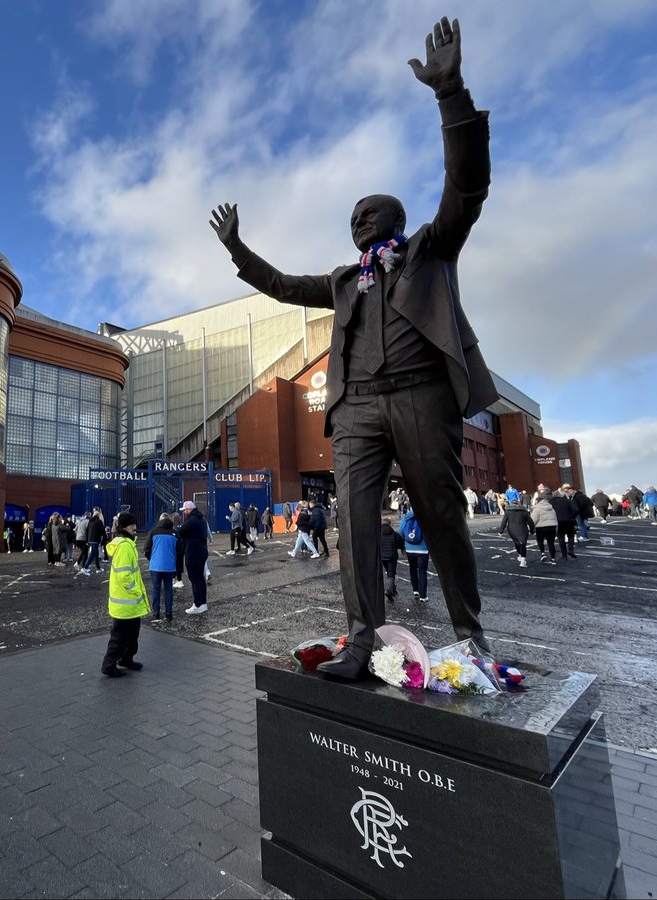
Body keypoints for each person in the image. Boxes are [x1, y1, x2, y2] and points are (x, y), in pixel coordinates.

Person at [209, 19, 495, 678]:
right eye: (352, 217)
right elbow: (281, 285)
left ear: (394, 220)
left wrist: (449, 94)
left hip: (422, 397)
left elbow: (468, 186)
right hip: (358, 409)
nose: (358, 221)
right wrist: (237, 251)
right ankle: (361, 640)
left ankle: (470, 635)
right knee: (356, 527)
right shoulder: (343, 281)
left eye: (369, 213)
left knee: (443, 516)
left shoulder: (430, 248)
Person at [101, 512, 149, 678]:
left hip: (128, 603)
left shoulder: (127, 544)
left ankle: (126, 659)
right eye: (131, 526)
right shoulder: (124, 546)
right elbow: (124, 575)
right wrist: (135, 590)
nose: (134, 529)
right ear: (124, 527)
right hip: (126, 602)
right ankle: (109, 665)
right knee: (119, 637)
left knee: (131, 635)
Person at [144, 513, 178, 623]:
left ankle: (156, 613)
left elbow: (147, 548)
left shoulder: (153, 532)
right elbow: (180, 551)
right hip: (170, 566)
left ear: (160, 520)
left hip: (155, 566)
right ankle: (169, 614)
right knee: (168, 590)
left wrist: (152, 559)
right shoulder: (175, 533)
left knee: (156, 590)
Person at [179, 500, 210, 614]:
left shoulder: (192, 520)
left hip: (193, 553)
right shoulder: (201, 519)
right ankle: (202, 603)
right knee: (200, 579)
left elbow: (180, 531)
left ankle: (197, 604)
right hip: (201, 552)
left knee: (195, 579)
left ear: (189, 509)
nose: (184, 512)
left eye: (185, 510)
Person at [399, 508, 429, 604]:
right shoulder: (424, 518)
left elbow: (400, 533)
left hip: (409, 549)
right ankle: (423, 596)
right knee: (422, 572)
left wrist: (402, 547)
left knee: (412, 569)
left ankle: (415, 590)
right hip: (423, 550)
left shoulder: (406, 519)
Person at [498, 500, 536, 567]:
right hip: (523, 530)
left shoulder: (508, 512)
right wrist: (532, 530)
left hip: (512, 530)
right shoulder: (524, 512)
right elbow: (530, 522)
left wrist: (501, 531)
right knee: (523, 544)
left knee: (517, 543)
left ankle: (520, 555)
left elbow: (504, 522)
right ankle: (523, 560)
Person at [379, 517, 406, 602]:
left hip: (382, 556)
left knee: (388, 571)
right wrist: (402, 549)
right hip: (392, 557)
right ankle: (390, 591)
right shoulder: (394, 534)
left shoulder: (378, 534)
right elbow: (400, 543)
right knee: (391, 574)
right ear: (390, 524)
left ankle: (393, 589)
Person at [530, 490, 559, 564]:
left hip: (541, 527)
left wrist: (531, 528)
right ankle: (553, 558)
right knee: (551, 543)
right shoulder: (551, 508)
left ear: (537, 502)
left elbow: (533, 519)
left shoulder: (537, 508)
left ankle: (543, 553)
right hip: (552, 527)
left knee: (540, 541)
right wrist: (556, 527)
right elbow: (555, 518)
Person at [548, 489, 578, 559]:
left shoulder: (551, 502)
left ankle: (564, 555)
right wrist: (572, 517)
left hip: (557, 521)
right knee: (571, 535)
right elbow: (576, 510)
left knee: (561, 538)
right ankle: (571, 550)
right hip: (568, 520)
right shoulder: (567, 501)